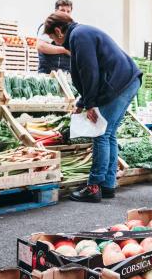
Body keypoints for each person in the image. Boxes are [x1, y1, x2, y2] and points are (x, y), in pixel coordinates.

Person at [43, 12, 141, 202]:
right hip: (127, 81)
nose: (54, 42)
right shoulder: (81, 33)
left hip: (119, 84)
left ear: (58, 31)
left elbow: (90, 71)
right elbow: (87, 72)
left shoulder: (79, 36)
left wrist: (90, 104)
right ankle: (107, 185)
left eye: (53, 38)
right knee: (109, 133)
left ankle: (94, 186)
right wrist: (82, 102)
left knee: (101, 134)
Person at [37, 0, 73, 73]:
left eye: (68, 11)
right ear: (56, 11)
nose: (66, 13)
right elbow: (41, 46)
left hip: (66, 73)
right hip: (48, 72)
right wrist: (64, 50)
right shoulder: (48, 26)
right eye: (62, 10)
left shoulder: (71, 29)